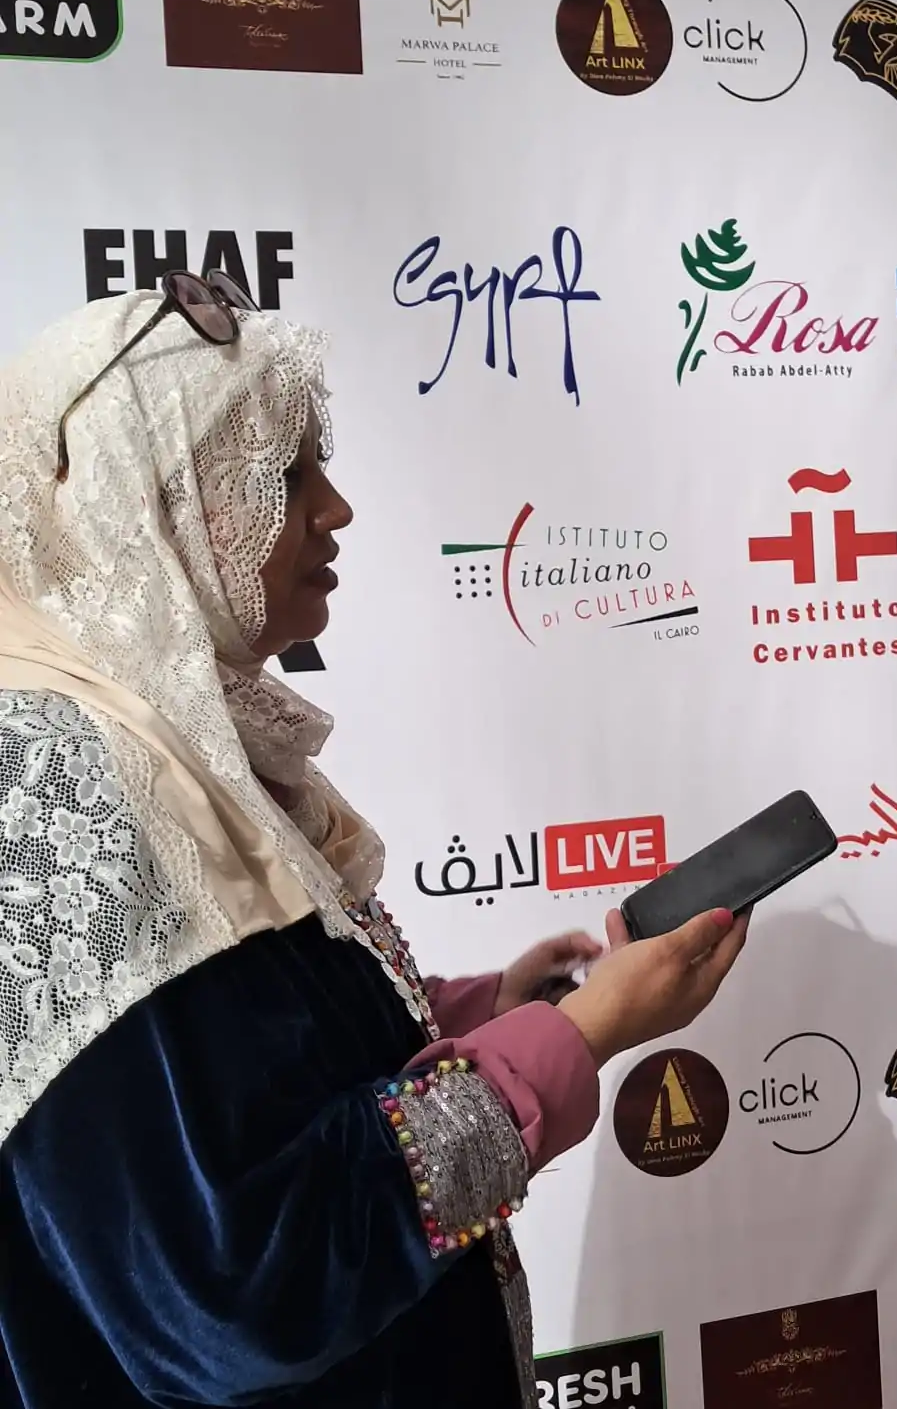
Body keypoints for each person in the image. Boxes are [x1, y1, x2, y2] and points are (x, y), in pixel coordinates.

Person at [0, 279, 747, 1408]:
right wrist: (574, 1039)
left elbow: (242, 1072)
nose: (335, 508)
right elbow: (230, 1286)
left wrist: (480, 1014)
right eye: (283, 475)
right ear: (146, 511)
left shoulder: (180, 739)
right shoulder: (62, 784)